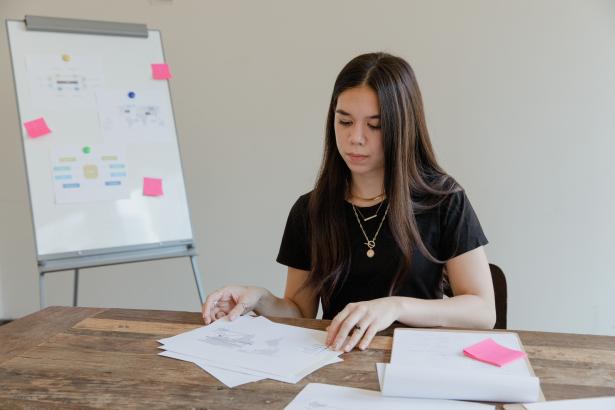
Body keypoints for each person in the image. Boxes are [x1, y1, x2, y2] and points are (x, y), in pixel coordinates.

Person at [202, 52, 495, 352]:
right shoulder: (310, 210)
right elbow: (300, 313)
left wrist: (396, 308)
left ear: (402, 127)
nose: (355, 138)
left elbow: (483, 312)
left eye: (375, 125)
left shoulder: (443, 201)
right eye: (344, 121)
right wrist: (261, 299)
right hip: (335, 363)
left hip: (418, 362)